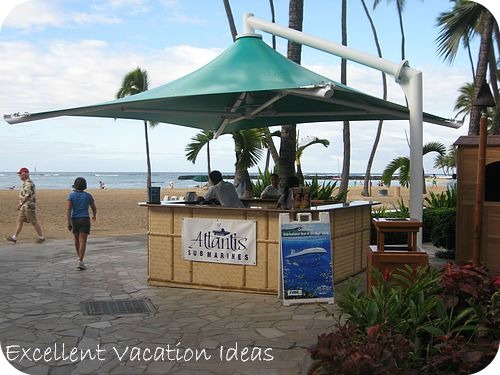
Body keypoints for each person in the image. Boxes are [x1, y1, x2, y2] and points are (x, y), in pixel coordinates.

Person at [5, 167, 45, 244]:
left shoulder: (29, 184)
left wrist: (20, 204)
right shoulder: (26, 183)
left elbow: (27, 196)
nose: (19, 176)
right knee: (20, 221)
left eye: (20, 174)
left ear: (24, 174)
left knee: (34, 222)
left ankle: (41, 237)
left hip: (28, 206)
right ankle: (14, 237)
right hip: (24, 207)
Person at [67, 177, 97, 270]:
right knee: (83, 241)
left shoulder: (71, 195)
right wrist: (94, 215)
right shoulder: (88, 196)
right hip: (84, 219)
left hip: (74, 219)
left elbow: (68, 209)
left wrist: (68, 222)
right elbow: (94, 208)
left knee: (76, 240)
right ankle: (81, 260)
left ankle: (79, 258)